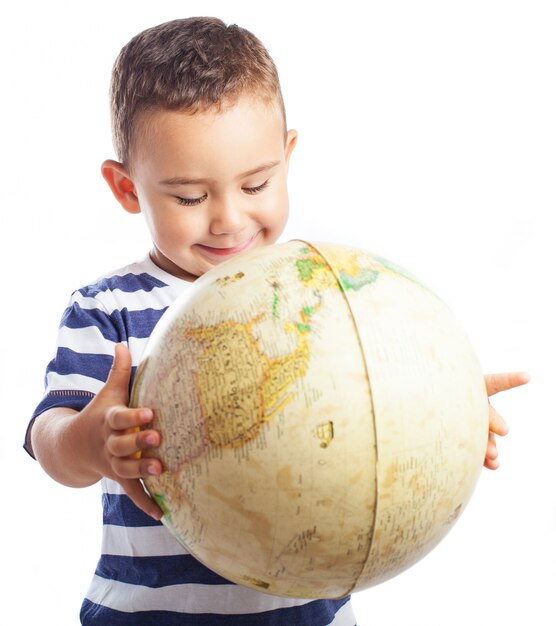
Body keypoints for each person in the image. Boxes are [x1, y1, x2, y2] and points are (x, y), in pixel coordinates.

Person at [24, 16, 529, 626]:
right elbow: (50, 440)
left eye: (256, 184)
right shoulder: (108, 309)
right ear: (126, 187)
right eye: (190, 197)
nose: (229, 219)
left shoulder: (326, 300)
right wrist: (90, 440)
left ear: (287, 157)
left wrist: (444, 408)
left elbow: (372, 395)